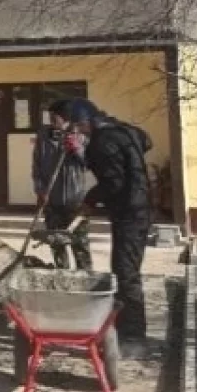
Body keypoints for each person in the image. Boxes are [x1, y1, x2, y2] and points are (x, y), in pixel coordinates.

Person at [61, 98, 154, 346]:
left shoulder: (101, 142)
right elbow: (147, 142)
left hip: (129, 212)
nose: (78, 132)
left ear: (85, 122)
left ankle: (132, 336)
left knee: (125, 272)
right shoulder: (127, 131)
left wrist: (89, 201)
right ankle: (124, 326)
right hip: (142, 207)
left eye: (78, 127)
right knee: (126, 269)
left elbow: (113, 183)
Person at [31, 100, 91, 270]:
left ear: (66, 118)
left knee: (80, 245)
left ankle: (85, 276)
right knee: (56, 245)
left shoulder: (81, 136)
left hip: (75, 202)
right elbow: (36, 167)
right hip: (52, 201)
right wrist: (40, 190)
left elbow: (89, 164)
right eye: (49, 116)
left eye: (54, 117)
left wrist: (78, 149)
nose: (51, 120)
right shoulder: (44, 137)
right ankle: (61, 274)